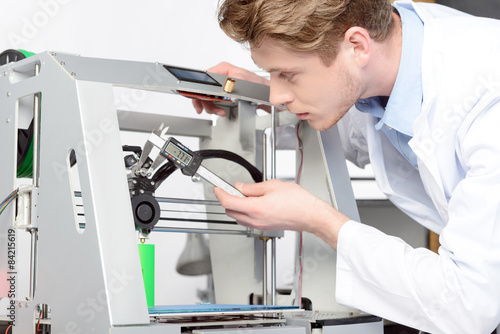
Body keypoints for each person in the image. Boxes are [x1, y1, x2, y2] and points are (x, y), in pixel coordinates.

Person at [193, 0, 500, 333]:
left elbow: (470, 305)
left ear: (357, 46)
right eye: (272, 72)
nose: (277, 95)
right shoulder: (392, 50)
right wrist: (254, 92)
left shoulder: (486, 98)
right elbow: (347, 123)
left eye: (288, 74)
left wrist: (318, 219)